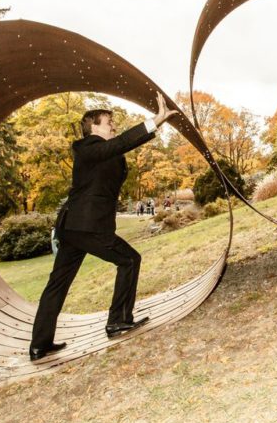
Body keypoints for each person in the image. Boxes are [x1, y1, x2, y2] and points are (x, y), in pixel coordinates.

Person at [29, 93, 178, 361]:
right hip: (85, 226)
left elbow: (118, 148)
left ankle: (40, 345)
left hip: (76, 228)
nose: (113, 125)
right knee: (129, 259)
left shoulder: (106, 152)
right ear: (93, 127)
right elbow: (118, 144)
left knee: (58, 283)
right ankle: (118, 320)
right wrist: (154, 121)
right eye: (108, 121)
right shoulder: (85, 147)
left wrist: (153, 128)